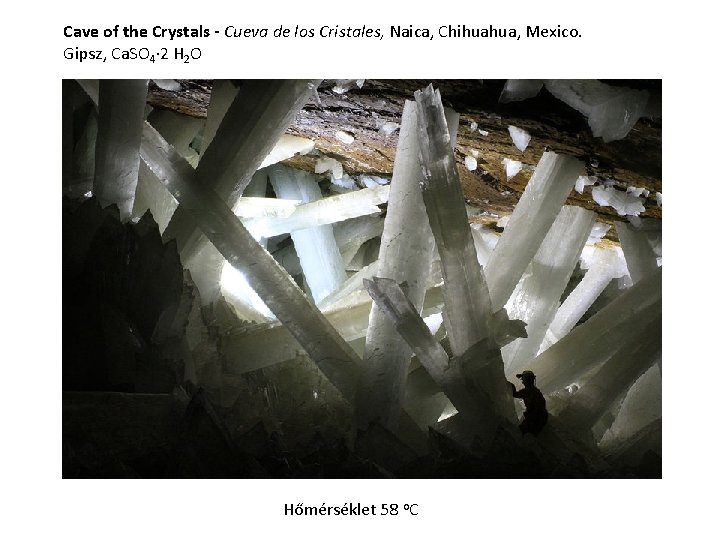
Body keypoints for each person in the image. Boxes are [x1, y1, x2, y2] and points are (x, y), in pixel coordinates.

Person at [508, 370, 548, 436]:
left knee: (520, 432)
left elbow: (538, 409)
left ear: (527, 381)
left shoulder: (531, 392)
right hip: (536, 417)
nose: (522, 381)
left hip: (537, 418)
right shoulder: (530, 391)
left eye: (523, 379)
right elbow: (515, 394)